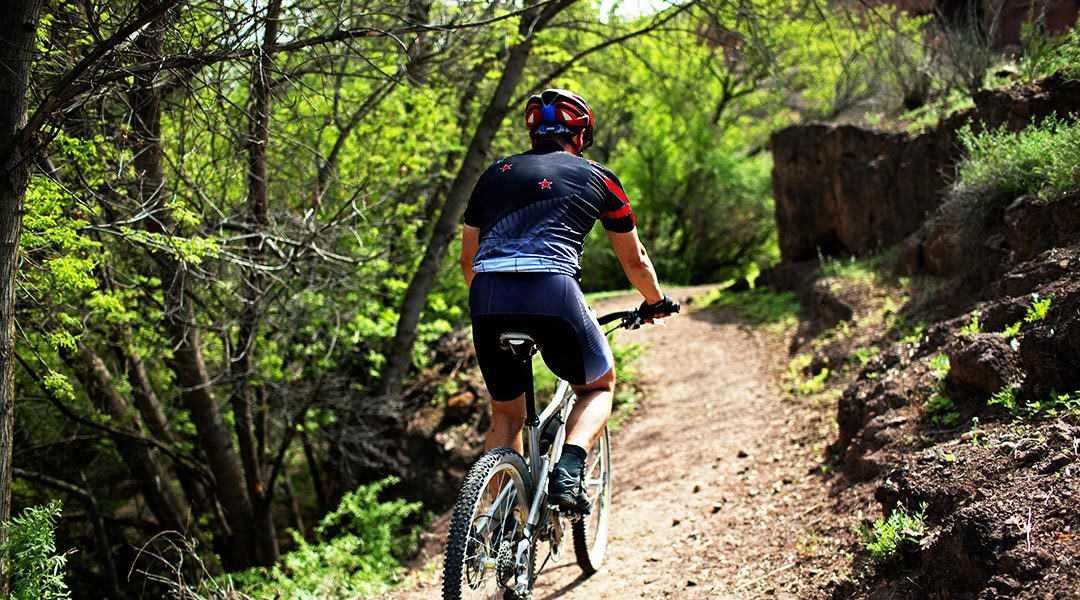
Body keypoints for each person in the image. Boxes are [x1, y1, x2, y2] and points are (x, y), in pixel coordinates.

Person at [459, 88, 679, 514]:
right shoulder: (598, 176)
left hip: (487, 297)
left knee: (506, 414)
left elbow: (468, 260)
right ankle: (567, 472)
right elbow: (634, 261)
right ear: (581, 134)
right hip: (552, 292)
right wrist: (655, 300)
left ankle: (497, 524)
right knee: (598, 385)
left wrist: (496, 303)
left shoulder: (493, 174)